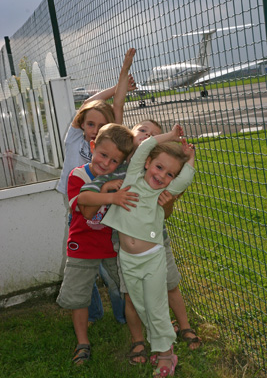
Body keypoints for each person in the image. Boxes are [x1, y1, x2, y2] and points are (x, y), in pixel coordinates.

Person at [78, 119, 202, 364]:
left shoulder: (162, 192)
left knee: (155, 307)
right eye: (158, 167)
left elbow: (185, 178)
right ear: (147, 163)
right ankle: (163, 337)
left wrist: (190, 157)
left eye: (169, 174)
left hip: (152, 258)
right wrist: (169, 135)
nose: (161, 175)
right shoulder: (132, 177)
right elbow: (145, 147)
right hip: (127, 259)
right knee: (140, 305)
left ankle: (166, 355)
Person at [56, 48, 136, 325]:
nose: (94, 128)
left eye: (101, 125)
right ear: (82, 125)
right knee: (81, 266)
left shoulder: (110, 146)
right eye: (90, 123)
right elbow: (87, 105)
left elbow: (120, 106)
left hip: (107, 212)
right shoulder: (75, 140)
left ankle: (122, 315)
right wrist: (115, 85)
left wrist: (125, 74)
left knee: (112, 266)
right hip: (78, 209)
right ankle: (91, 312)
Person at [56, 123, 138, 365]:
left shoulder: (121, 175)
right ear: (92, 147)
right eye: (103, 155)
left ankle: (138, 326)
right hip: (82, 245)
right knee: (78, 295)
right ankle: (83, 342)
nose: (106, 163)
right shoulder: (78, 175)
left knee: (126, 287)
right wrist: (108, 193)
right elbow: (87, 210)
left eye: (114, 161)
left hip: (112, 244)